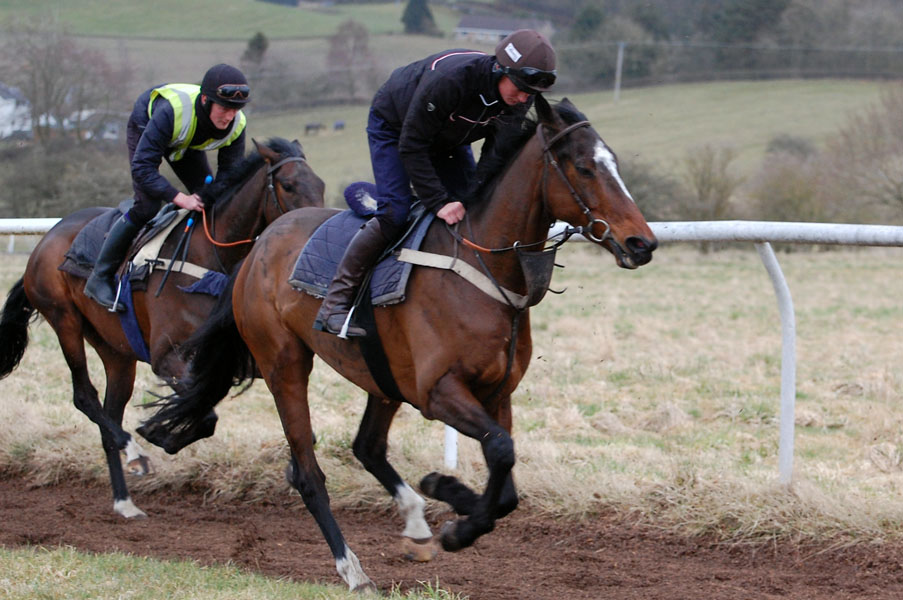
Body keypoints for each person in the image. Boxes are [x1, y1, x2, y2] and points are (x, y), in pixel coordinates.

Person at [313, 29, 557, 337]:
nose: (524, 99)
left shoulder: (520, 97)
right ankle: (335, 304)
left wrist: (472, 197)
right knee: (395, 212)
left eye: (532, 93)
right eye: (521, 88)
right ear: (500, 68)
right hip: (396, 127)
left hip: (450, 140)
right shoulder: (452, 80)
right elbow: (412, 145)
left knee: (473, 209)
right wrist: (439, 201)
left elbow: (494, 156)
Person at [84, 63, 251, 311]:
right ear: (205, 100)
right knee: (147, 205)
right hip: (149, 122)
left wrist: (208, 195)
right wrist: (179, 198)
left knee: (213, 203)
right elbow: (142, 169)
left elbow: (228, 177)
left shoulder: (237, 124)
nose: (229, 117)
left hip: (185, 140)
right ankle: (99, 276)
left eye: (236, 110)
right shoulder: (171, 112)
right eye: (225, 108)